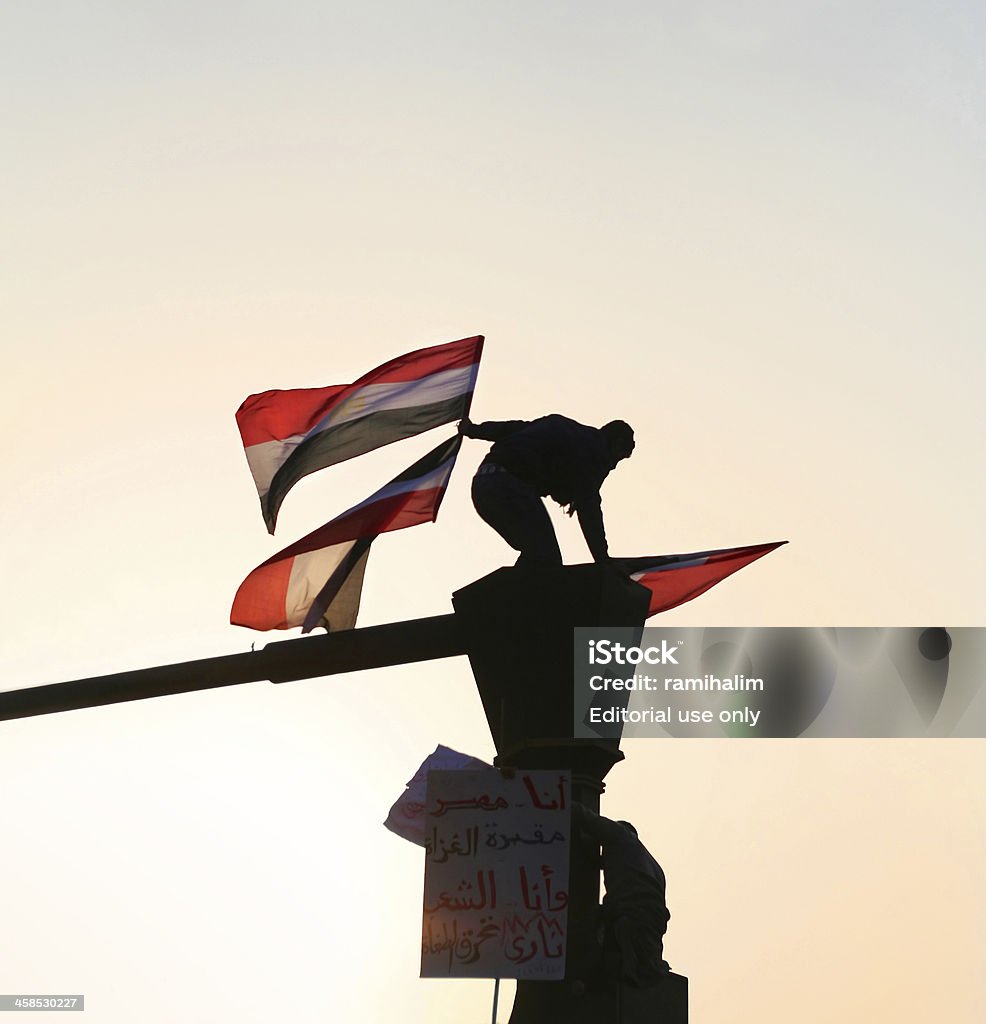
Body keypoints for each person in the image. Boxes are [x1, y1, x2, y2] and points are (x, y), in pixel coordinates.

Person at [458, 414, 635, 567]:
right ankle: (509, 602)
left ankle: (508, 599)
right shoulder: (596, 450)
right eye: (619, 458)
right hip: (510, 485)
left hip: (482, 484)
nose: (613, 466)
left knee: (535, 553)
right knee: (546, 559)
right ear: (616, 443)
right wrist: (602, 559)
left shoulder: (562, 428)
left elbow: (511, 429)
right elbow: (588, 506)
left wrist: (473, 430)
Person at [572, 802, 671, 986]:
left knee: (585, 934)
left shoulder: (619, 835)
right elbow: (601, 863)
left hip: (629, 916)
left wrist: (553, 800)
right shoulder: (653, 866)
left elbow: (585, 816)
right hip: (651, 925)